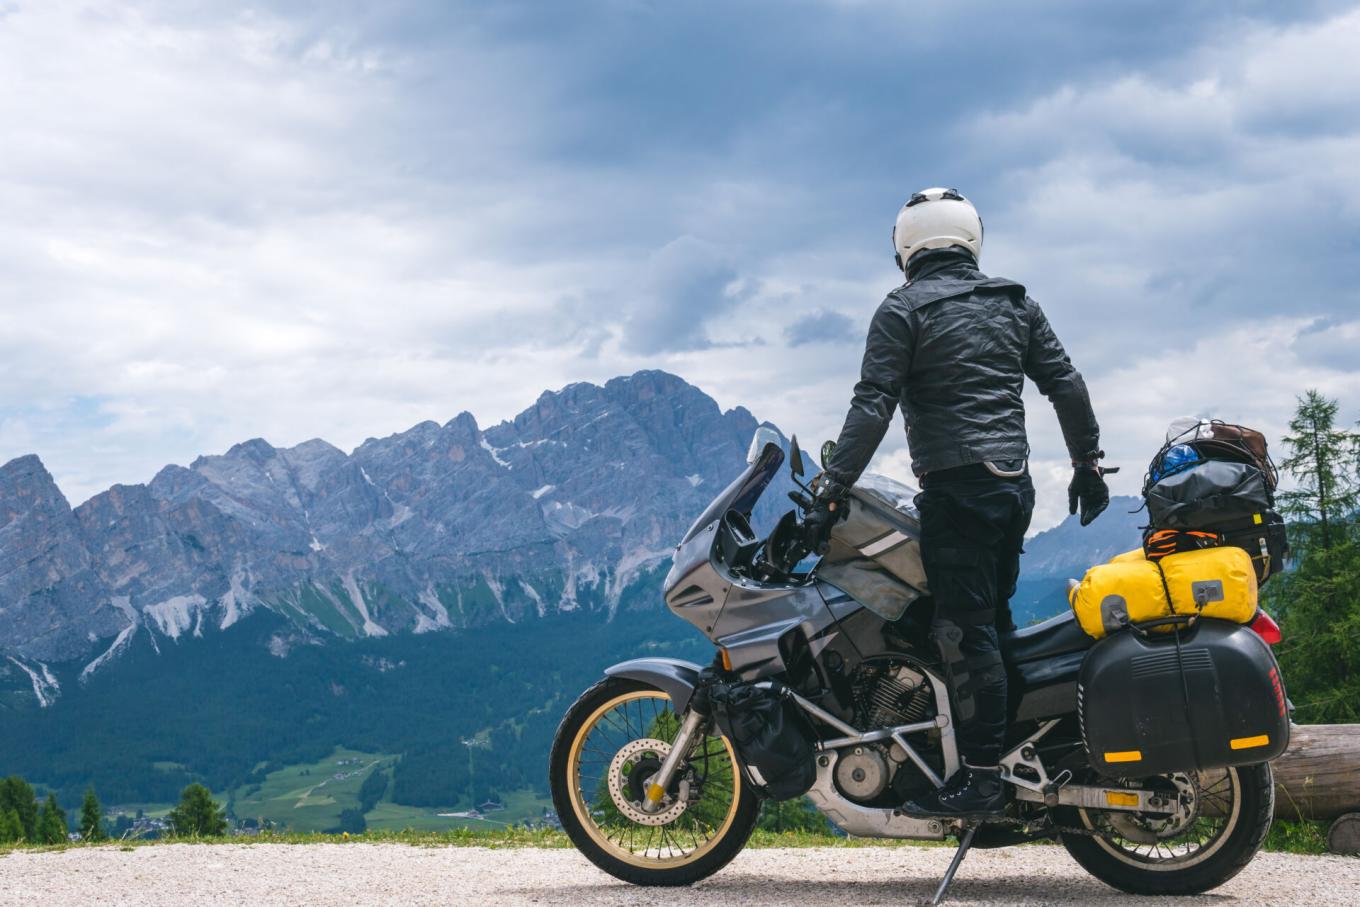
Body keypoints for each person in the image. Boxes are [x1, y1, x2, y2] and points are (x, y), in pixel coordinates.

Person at [805, 187, 1110, 818]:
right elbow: (1066, 383)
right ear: (971, 236)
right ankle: (1017, 760)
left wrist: (831, 490)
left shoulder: (902, 310)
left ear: (905, 245)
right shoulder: (1015, 302)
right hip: (1013, 488)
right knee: (993, 623)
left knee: (963, 632)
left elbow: (873, 404)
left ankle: (981, 781)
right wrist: (1086, 465)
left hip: (955, 487)